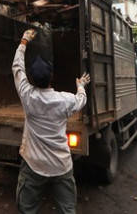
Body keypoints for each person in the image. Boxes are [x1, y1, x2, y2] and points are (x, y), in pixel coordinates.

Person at [13, 29, 91, 214]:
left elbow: (17, 68)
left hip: (33, 164)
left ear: (30, 80)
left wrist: (24, 41)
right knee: (67, 210)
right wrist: (80, 86)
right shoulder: (65, 100)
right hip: (61, 165)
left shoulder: (27, 96)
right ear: (52, 77)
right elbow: (81, 100)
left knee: (27, 209)